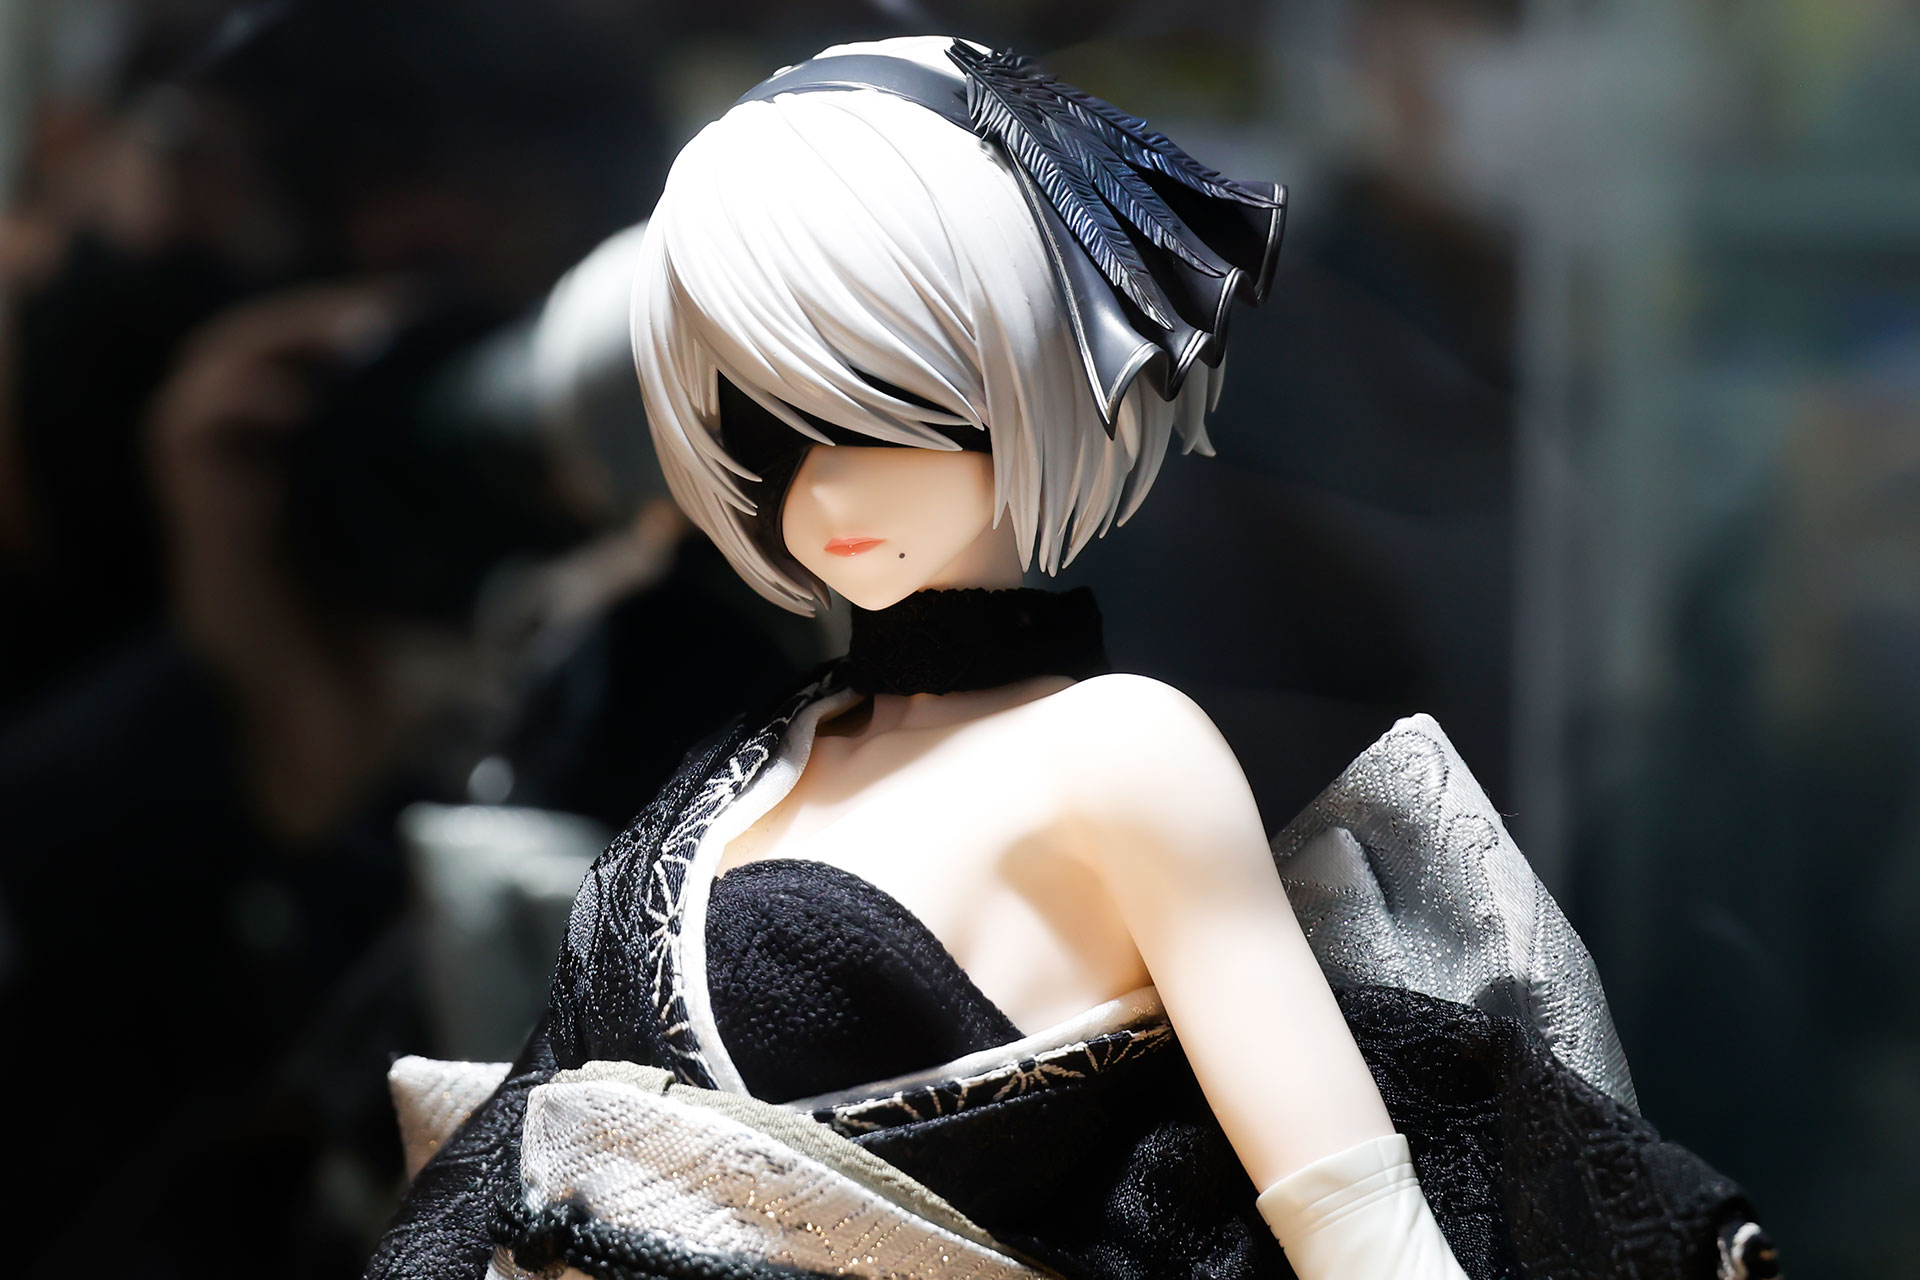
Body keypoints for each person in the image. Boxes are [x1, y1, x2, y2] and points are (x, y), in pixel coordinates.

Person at [367, 37, 1772, 1280]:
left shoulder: (1120, 749)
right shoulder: (763, 763)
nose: (828, 490)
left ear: (1029, 357)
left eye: (887, 405)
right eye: (763, 432)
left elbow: (1347, 1205)